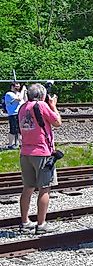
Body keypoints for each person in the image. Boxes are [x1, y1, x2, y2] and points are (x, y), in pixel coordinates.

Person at [17, 83, 62, 234]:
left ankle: (24, 222)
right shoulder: (41, 106)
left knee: (27, 188)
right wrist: (53, 106)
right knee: (45, 188)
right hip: (41, 151)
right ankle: (41, 224)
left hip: (25, 151)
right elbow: (57, 122)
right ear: (42, 96)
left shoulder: (23, 107)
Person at [4, 83, 26, 149]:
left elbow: (25, 100)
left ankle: (21, 144)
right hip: (13, 114)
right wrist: (23, 90)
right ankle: (10, 145)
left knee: (20, 130)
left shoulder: (19, 93)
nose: (18, 87)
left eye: (19, 86)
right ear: (12, 87)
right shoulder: (9, 94)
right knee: (13, 130)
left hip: (20, 114)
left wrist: (24, 92)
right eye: (16, 86)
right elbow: (19, 99)